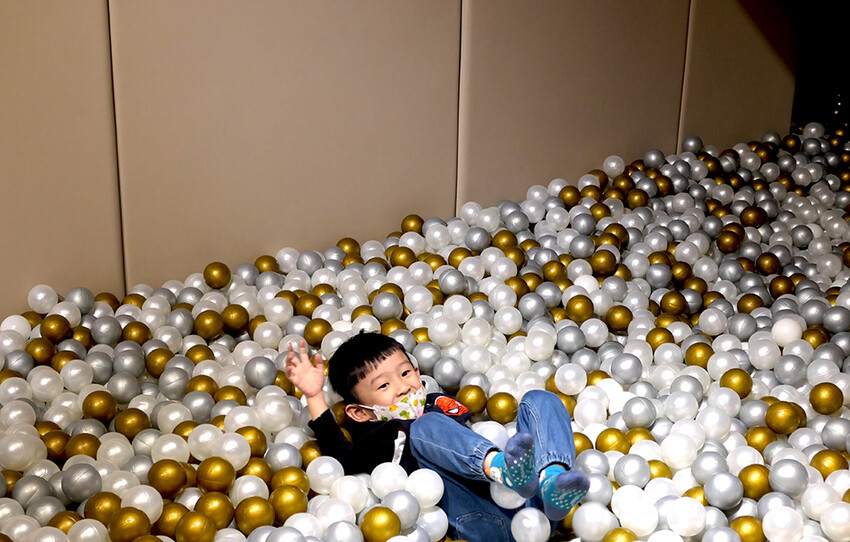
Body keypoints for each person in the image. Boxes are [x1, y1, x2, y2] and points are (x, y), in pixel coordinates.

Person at [285, 332, 588, 541]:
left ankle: (552, 483)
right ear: (361, 412)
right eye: (383, 386)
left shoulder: (437, 406)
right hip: (492, 523)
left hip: (534, 502)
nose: (403, 387)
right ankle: (504, 470)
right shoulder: (382, 436)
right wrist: (314, 396)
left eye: (405, 374)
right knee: (424, 427)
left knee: (538, 399)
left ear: (417, 371)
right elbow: (342, 462)